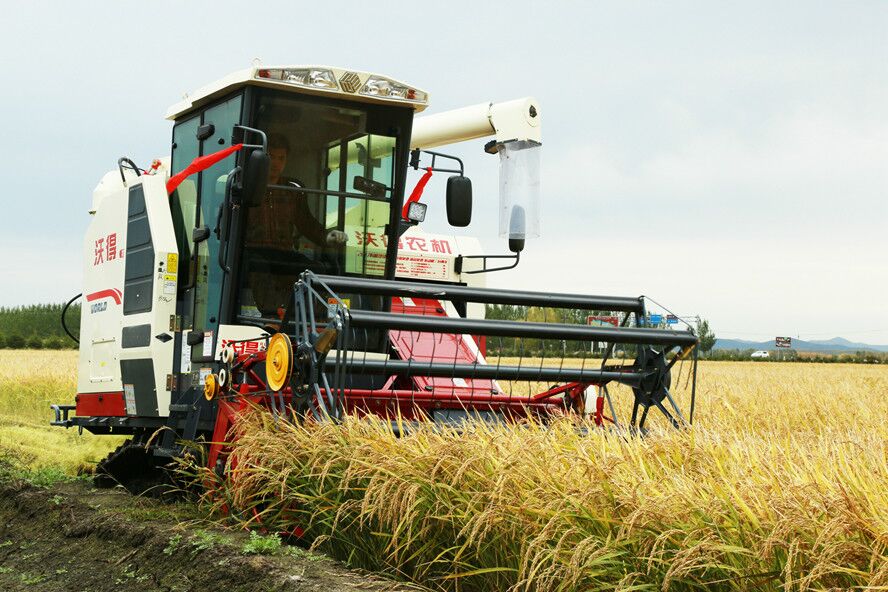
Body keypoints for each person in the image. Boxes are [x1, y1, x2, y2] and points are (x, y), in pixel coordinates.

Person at [241, 134, 346, 322]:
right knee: (259, 266)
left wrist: (326, 237)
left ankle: (315, 323)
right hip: (251, 251)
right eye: (271, 157)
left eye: (281, 158)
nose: (276, 163)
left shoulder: (293, 190)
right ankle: (271, 320)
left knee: (316, 270)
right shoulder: (246, 186)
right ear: (262, 159)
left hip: (283, 253)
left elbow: (306, 223)